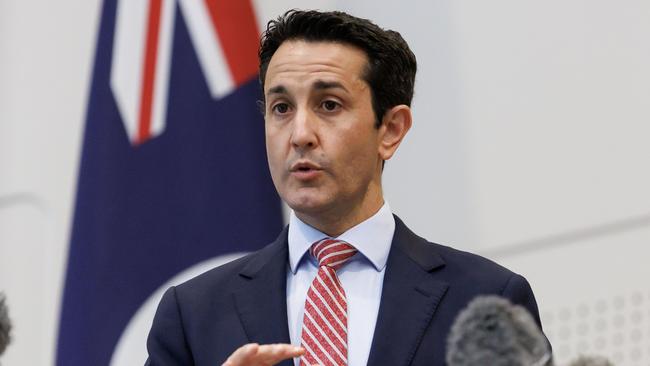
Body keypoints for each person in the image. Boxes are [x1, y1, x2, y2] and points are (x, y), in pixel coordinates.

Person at [145, 9, 544, 366]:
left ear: (390, 129)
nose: (300, 134)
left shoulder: (487, 299)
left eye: (329, 105)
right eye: (281, 108)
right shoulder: (192, 314)